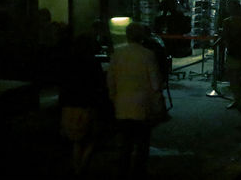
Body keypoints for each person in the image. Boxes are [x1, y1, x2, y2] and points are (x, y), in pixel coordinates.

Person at [106, 22, 163, 179]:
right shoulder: (147, 55)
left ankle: (123, 170)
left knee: (126, 143)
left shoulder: (117, 54)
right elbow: (155, 83)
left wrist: (113, 98)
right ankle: (139, 172)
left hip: (122, 105)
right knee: (142, 144)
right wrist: (158, 104)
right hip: (142, 105)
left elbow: (111, 79)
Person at [58, 34, 110, 176]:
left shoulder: (68, 62)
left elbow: (62, 84)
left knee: (76, 140)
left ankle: (77, 168)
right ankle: (82, 167)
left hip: (69, 104)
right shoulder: (92, 62)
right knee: (90, 138)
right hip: (87, 105)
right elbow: (99, 83)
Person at [220, 1, 241, 111]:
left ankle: (237, 100)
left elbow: (225, 37)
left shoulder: (228, 22)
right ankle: (239, 100)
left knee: (233, 76)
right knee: (237, 76)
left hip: (233, 51)